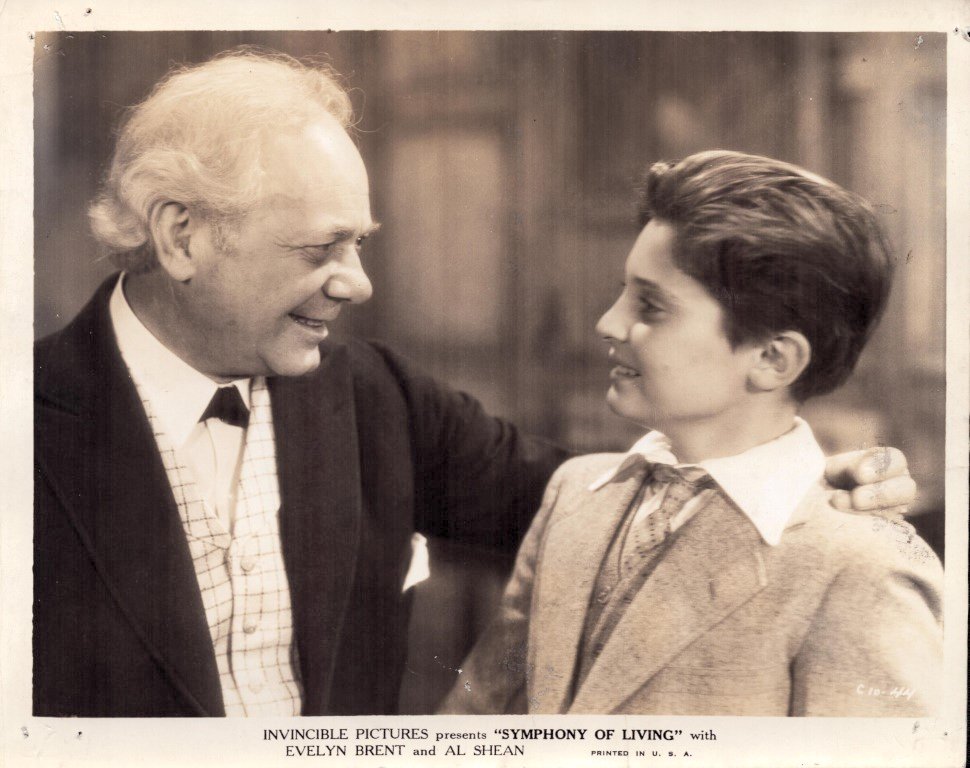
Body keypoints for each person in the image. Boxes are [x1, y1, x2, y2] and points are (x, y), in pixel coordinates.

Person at [33, 51, 917, 717]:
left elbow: (623, 508)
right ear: (181, 235)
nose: (357, 283)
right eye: (319, 249)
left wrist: (819, 481)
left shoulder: (375, 396)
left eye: (359, 244)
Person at [440, 151, 942, 717]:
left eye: (651, 306)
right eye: (623, 292)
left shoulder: (862, 568)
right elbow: (474, 720)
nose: (608, 323)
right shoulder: (573, 494)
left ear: (773, 358)